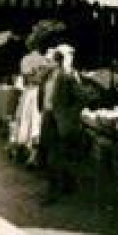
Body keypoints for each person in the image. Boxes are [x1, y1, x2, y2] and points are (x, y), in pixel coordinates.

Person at [39, 44, 85, 203]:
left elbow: (81, 98)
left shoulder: (67, 77)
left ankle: (52, 192)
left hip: (60, 120)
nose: (45, 62)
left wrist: (70, 115)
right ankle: (67, 186)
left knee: (54, 157)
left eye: (48, 60)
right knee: (50, 155)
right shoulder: (46, 76)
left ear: (57, 62)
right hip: (47, 117)